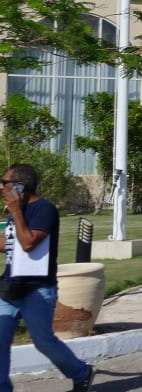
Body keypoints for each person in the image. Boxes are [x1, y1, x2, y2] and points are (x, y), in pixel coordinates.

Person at [0, 164, 94, 392]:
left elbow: (29, 243)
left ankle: (81, 372)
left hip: (37, 289)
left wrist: (15, 211)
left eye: (4, 183)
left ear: (20, 186)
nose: (1, 188)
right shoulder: (18, 210)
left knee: (43, 342)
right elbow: (10, 245)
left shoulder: (44, 210)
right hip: (10, 287)